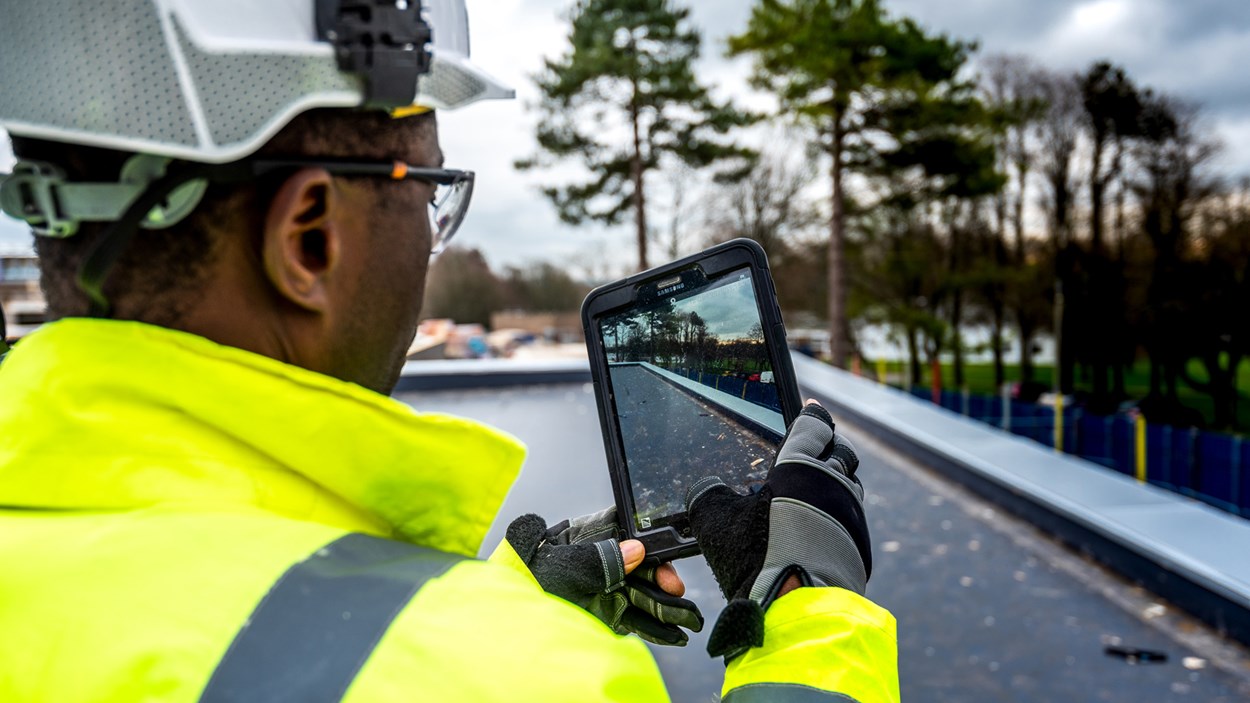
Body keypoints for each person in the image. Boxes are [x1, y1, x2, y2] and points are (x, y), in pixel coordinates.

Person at [0, 1, 898, 701]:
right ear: (310, 237)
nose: (434, 234)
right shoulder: (525, 683)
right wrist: (809, 613)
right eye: (430, 191)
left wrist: (494, 605)